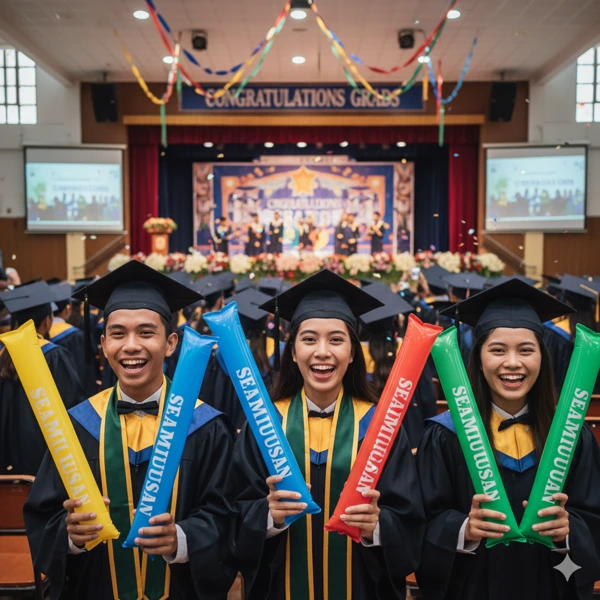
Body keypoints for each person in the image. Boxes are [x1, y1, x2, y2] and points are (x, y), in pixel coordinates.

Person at [23, 261, 236, 600]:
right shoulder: (78, 425)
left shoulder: (205, 427)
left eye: (146, 333)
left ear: (171, 343)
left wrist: (182, 539)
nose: (131, 346)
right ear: (104, 343)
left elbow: (227, 517)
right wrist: (70, 535)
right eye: (118, 334)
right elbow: (43, 516)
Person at [225, 269, 425, 600]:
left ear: (352, 352)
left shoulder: (380, 427)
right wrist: (266, 517)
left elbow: (412, 521)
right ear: (292, 351)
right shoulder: (265, 425)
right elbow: (230, 514)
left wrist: (378, 526)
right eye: (308, 339)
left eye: (336, 340)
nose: (322, 351)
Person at [415, 278, 600, 599]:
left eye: (526, 350)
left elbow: (593, 519)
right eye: (497, 350)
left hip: (549, 586)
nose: (512, 363)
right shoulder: (446, 435)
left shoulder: (571, 435)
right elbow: (420, 524)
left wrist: (569, 533)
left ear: (542, 358)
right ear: (478, 358)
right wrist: (464, 530)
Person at [0, 281, 84, 476]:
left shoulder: (4, 354)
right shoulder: (54, 355)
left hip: (7, 453)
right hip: (43, 454)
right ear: (47, 320)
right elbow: (71, 403)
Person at [359, 281, 437, 448]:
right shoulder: (410, 351)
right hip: (409, 441)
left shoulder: (352, 355)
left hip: (362, 442)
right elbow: (428, 400)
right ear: (395, 320)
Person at [49, 281, 98, 398]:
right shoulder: (77, 337)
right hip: (74, 398)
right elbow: (85, 373)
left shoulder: (41, 337)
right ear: (67, 309)